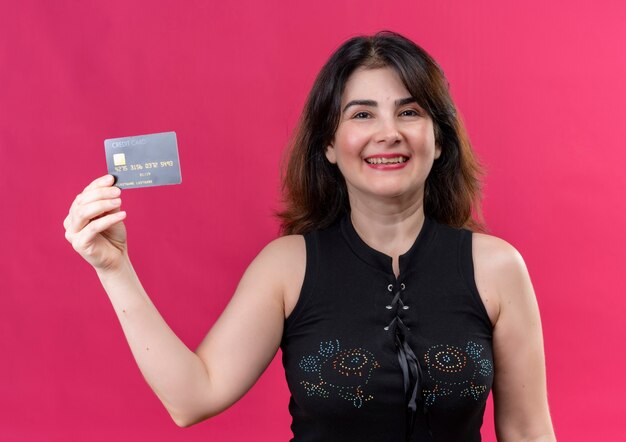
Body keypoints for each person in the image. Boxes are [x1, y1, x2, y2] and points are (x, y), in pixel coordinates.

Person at [63, 31, 555, 441]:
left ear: (439, 137)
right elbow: (192, 397)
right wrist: (115, 269)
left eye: (409, 112)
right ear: (329, 145)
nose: (389, 132)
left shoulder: (496, 268)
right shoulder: (286, 267)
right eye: (362, 115)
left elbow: (530, 432)